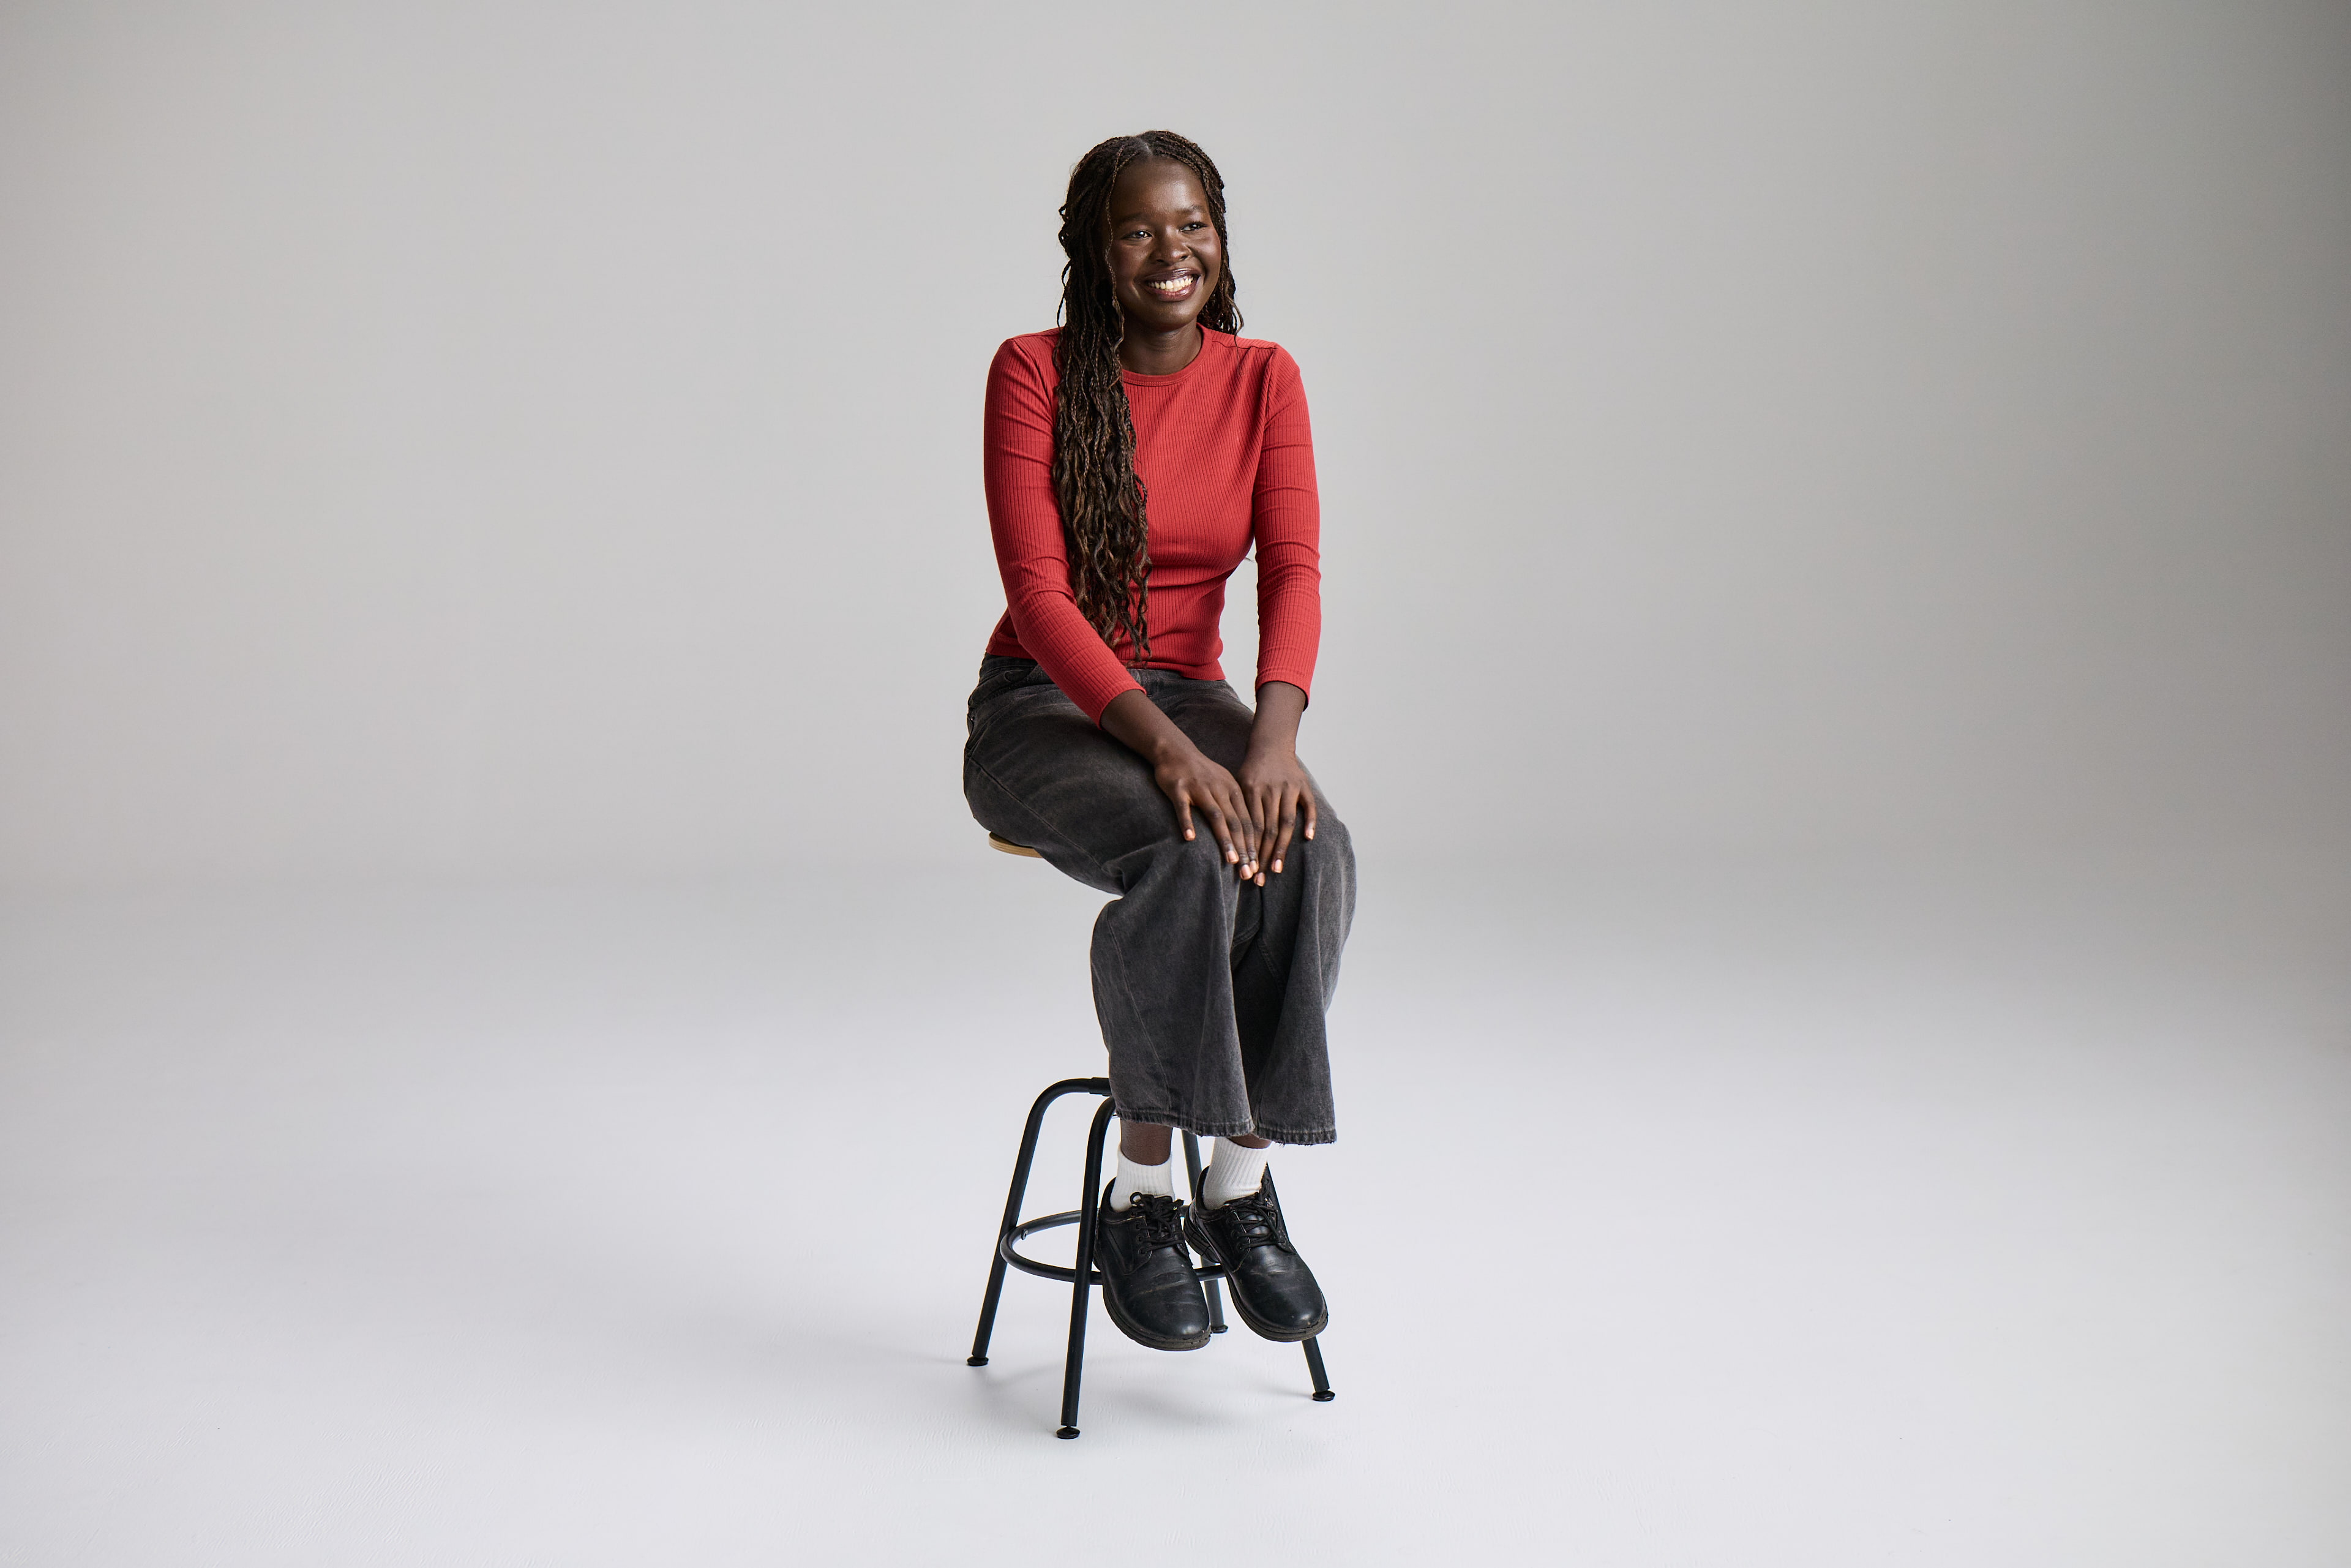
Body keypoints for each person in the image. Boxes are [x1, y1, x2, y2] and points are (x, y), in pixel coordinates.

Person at [963, 131, 1355, 1354]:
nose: (1169, 250)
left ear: (1220, 235)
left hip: (1197, 693)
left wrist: (1270, 739)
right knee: (1187, 852)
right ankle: (1140, 1195)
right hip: (1044, 702)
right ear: (1098, 248)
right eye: (1138, 229)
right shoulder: (1033, 372)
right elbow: (1040, 596)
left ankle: (1239, 1184)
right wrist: (1173, 757)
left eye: (1191, 224)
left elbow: (1294, 568)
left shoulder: (1264, 379)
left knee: (1312, 850)